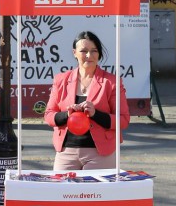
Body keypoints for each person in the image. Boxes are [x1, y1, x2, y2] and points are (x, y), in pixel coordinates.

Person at [44, 31, 130, 171]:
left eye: (94, 51)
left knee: (97, 187)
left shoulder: (112, 82)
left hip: (101, 153)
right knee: (61, 185)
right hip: (65, 152)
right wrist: (67, 114)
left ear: (99, 54)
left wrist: (96, 114)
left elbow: (123, 120)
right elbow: (48, 115)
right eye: (83, 51)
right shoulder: (60, 80)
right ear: (74, 53)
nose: (89, 55)